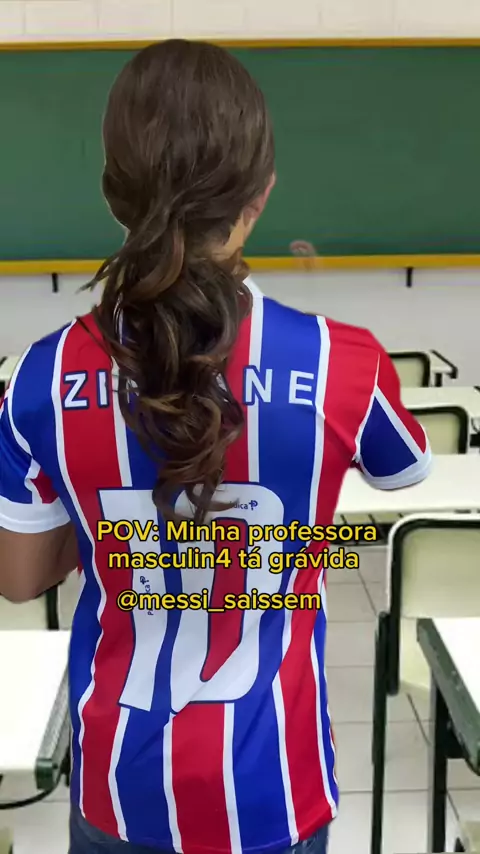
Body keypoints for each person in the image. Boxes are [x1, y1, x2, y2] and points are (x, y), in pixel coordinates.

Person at [0, 39, 431, 854]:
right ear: (261, 193)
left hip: (120, 787)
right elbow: (405, 468)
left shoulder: (40, 379)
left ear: (113, 193)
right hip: (274, 786)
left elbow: (19, 580)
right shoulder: (344, 363)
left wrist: (109, 524)